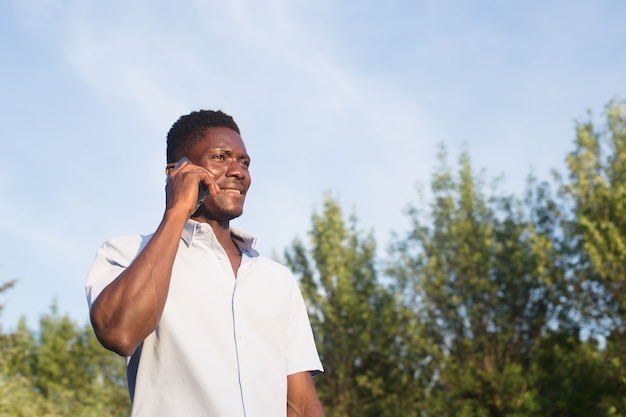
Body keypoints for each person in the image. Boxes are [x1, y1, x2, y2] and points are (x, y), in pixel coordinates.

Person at [85, 110, 325, 417]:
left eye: (244, 162)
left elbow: (301, 404)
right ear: (177, 172)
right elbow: (119, 333)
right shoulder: (126, 253)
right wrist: (176, 212)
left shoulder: (277, 279)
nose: (239, 171)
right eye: (221, 157)